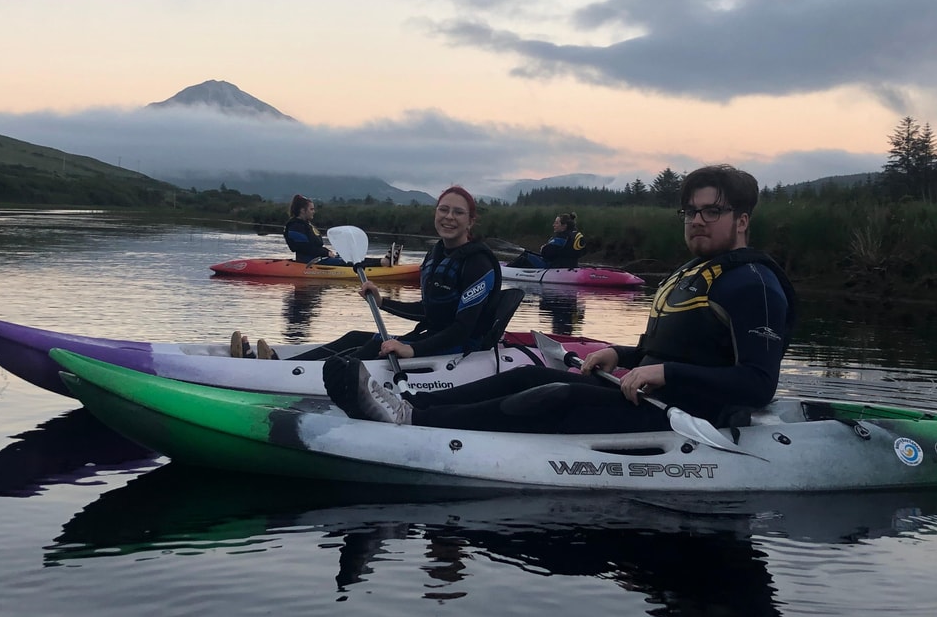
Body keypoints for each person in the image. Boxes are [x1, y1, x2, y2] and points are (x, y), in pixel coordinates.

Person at [323, 164, 797, 434]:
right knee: (532, 371)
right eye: (690, 211)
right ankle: (412, 409)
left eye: (711, 211)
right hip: (650, 392)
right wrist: (622, 355)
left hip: (689, 416)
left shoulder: (753, 284)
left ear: (742, 219)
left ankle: (415, 420)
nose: (696, 220)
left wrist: (663, 372)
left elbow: (757, 385)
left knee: (557, 392)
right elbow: (667, 355)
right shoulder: (695, 273)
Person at [250, 186, 503, 361]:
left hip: (459, 350)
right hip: (431, 339)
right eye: (443, 210)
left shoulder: (478, 263)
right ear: (435, 213)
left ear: (470, 221)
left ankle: (285, 371)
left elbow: (462, 328)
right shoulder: (437, 254)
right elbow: (429, 310)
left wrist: (411, 349)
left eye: (458, 212)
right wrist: (383, 302)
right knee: (355, 337)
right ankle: (278, 360)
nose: (449, 217)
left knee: (372, 346)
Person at [283, 194, 400, 267]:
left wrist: (327, 252)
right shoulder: (295, 226)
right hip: (308, 262)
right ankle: (383, 262)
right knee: (346, 261)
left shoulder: (305, 224)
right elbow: (303, 248)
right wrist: (326, 253)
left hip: (317, 258)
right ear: (303, 210)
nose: (314, 211)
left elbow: (313, 246)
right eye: (311, 209)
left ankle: (383, 261)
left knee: (347, 256)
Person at [507, 212, 586, 268]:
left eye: (556, 223)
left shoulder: (561, 237)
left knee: (525, 256)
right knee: (528, 253)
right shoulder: (574, 235)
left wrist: (543, 248)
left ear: (564, 226)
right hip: (570, 265)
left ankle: (506, 269)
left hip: (553, 266)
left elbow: (547, 253)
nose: (553, 225)